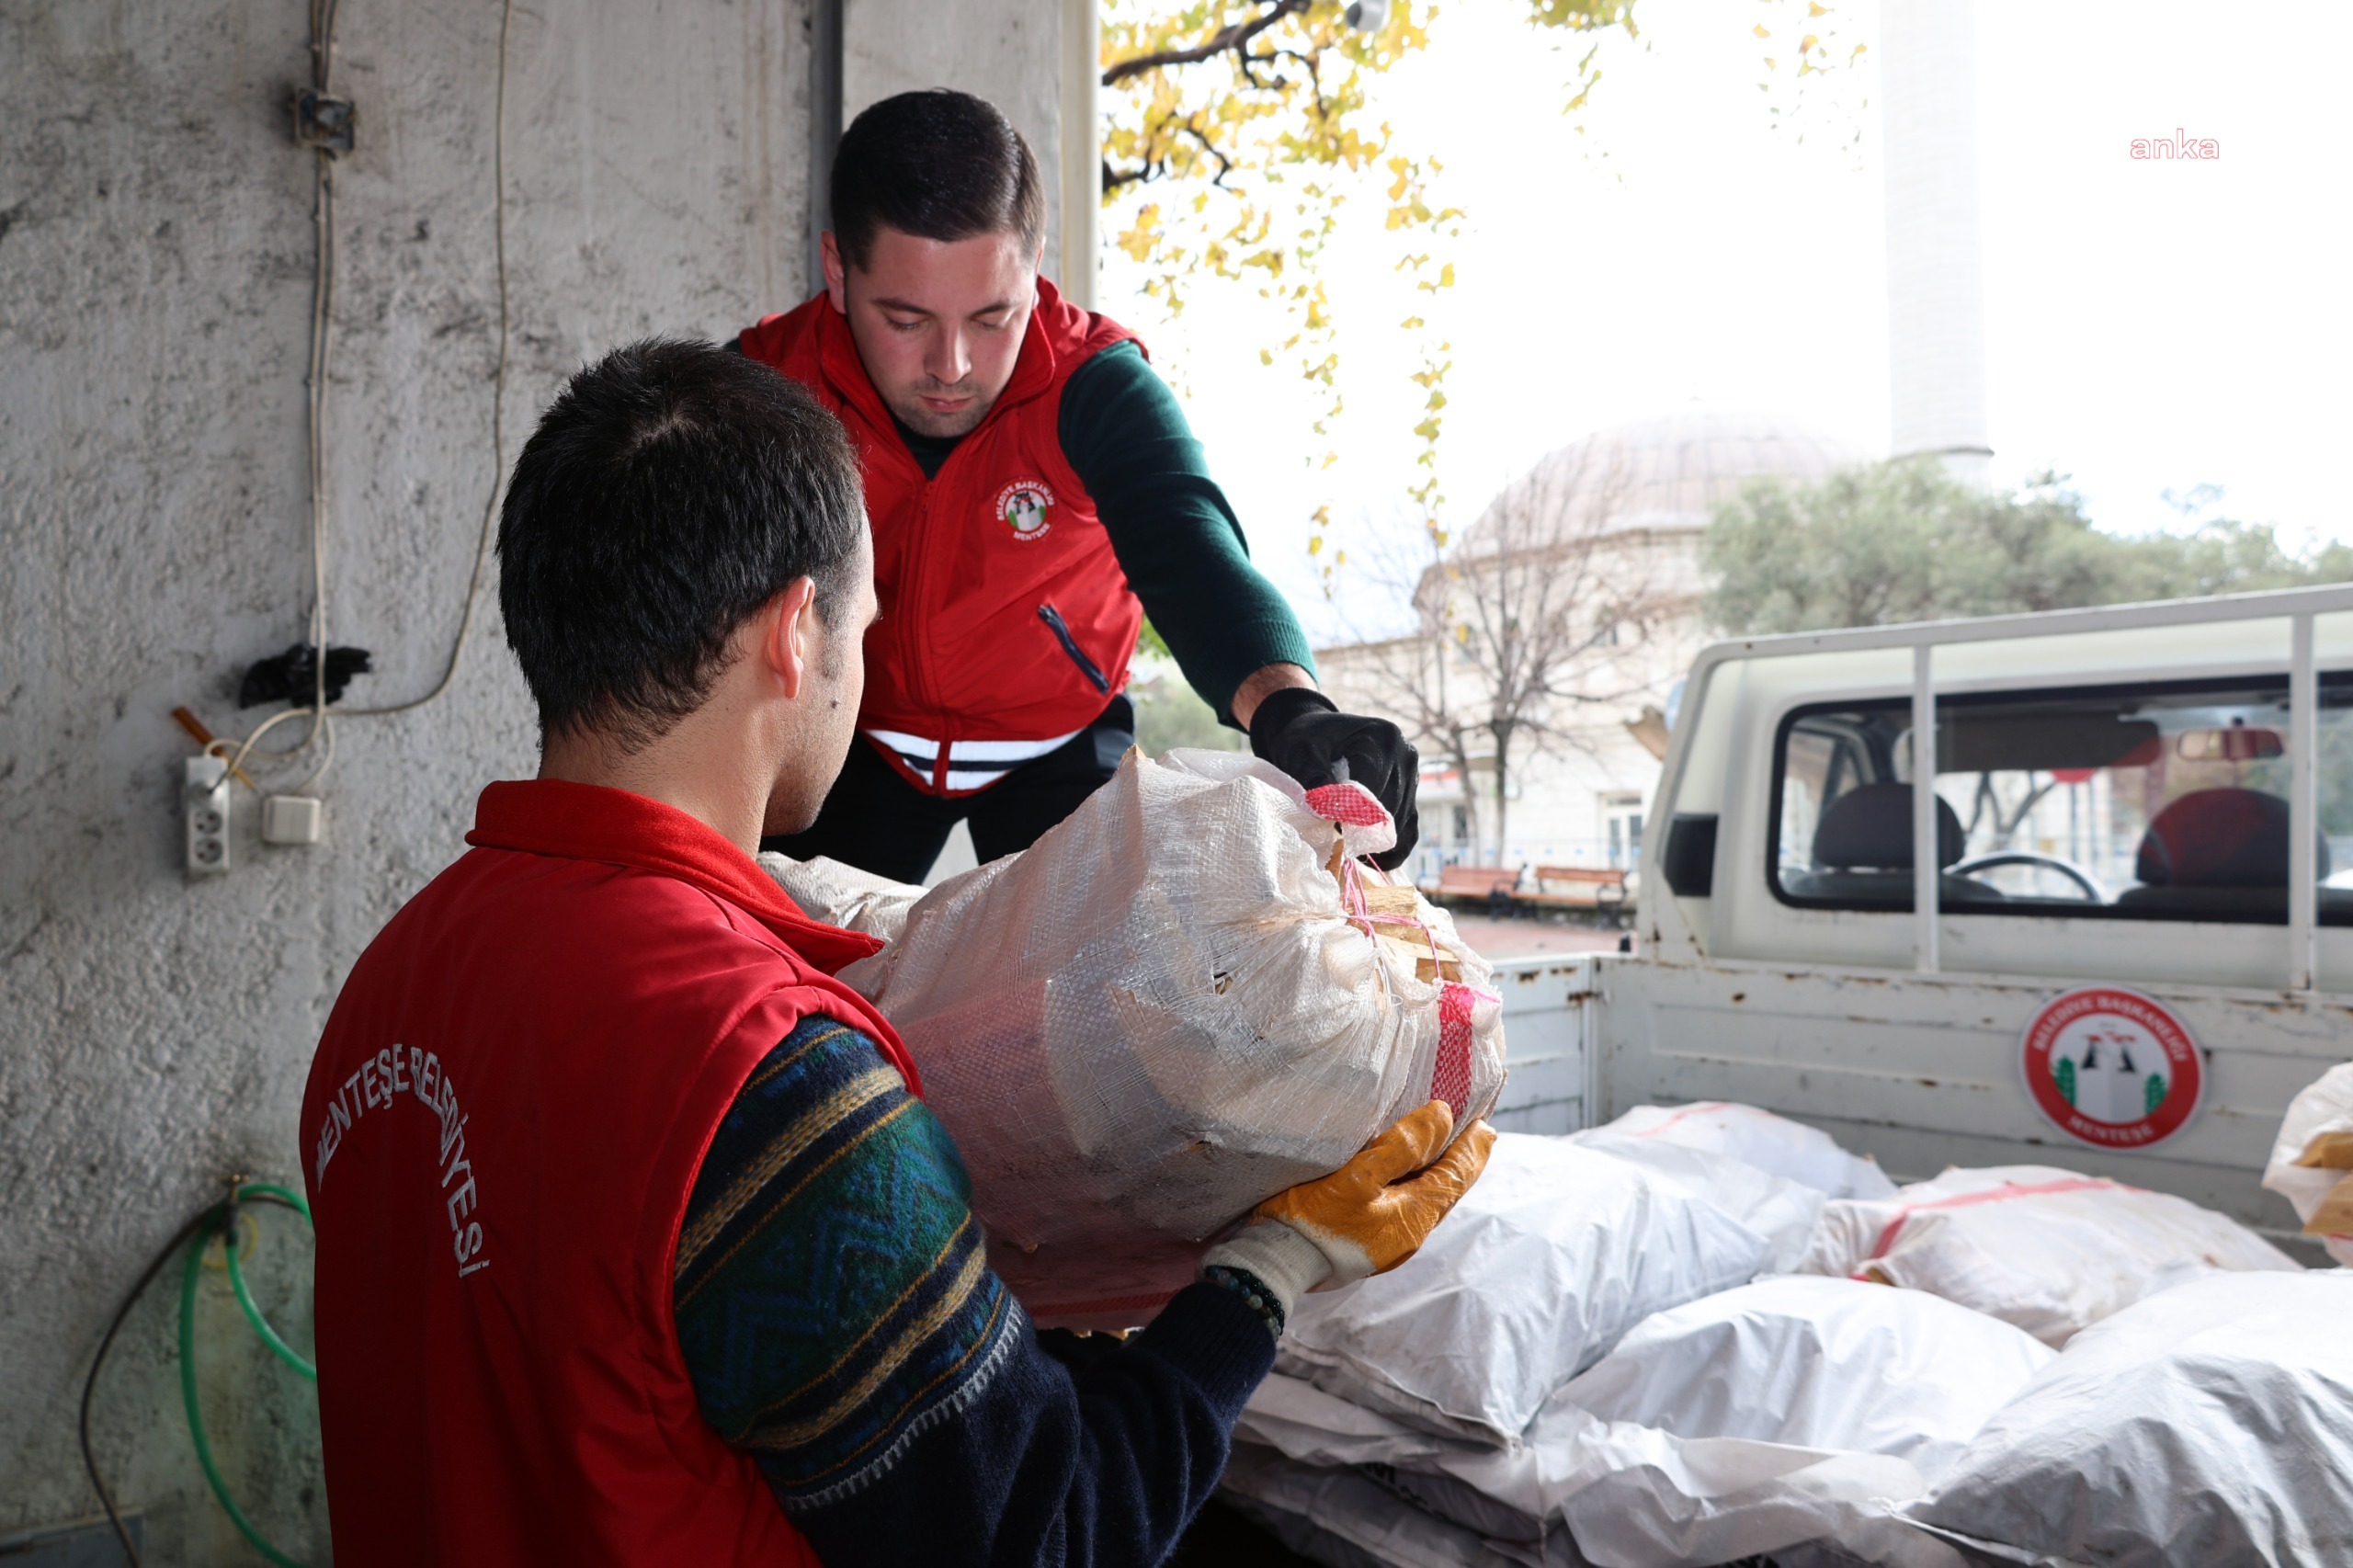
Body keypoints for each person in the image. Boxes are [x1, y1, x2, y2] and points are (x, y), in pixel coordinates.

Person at [297, 339, 1494, 1567]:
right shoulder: (763, 1075)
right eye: (864, 620)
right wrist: (1267, 1272)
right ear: (792, 635)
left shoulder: (390, 985)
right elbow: (1048, 1531)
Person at [741, 88, 1421, 882]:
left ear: (1034, 272)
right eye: (905, 320)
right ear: (836, 270)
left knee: (1104, 988)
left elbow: (1190, 550)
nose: (952, 367)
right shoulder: (763, 387)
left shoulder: (1097, 386)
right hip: (849, 740)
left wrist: (1292, 709)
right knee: (783, 972)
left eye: (994, 318)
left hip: (1058, 745)